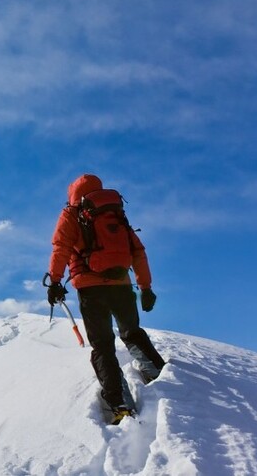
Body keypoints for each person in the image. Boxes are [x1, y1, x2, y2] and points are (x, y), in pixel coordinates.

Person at [46, 173, 166, 417]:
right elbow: (138, 251)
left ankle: (120, 404)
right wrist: (145, 287)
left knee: (102, 345)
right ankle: (162, 378)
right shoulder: (115, 212)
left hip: (90, 288)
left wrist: (55, 282)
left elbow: (61, 248)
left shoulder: (72, 213)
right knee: (131, 332)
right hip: (121, 284)